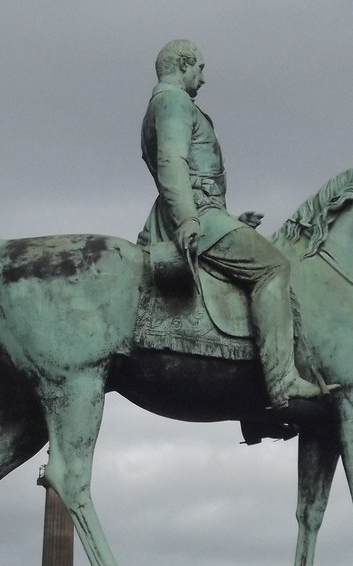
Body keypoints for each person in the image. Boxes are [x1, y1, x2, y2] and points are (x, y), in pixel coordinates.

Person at [138, 39, 329, 407]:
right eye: (201, 68)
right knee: (273, 268)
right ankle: (283, 381)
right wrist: (189, 218)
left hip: (207, 214)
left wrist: (231, 221)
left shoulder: (166, 104)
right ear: (184, 64)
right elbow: (172, 164)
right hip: (197, 214)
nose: (204, 78)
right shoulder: (174, 101)